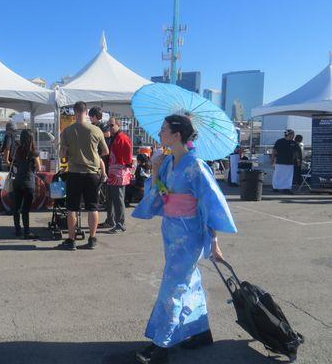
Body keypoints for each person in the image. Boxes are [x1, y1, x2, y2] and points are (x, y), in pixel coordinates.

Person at [132, 114, 237, 364]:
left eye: (164, 129)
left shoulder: (197, 166)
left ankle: (162, 344)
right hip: (170, 230)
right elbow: (158, 192)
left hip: (189, 234)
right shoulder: (168, 162)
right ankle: (201, 331)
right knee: (189, 281)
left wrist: (214, 242)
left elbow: (210, 206)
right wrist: (155, 169)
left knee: (174, 286)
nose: (159, 133)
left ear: (177, 135)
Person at [56, 101, 109, 250]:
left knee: (72, 208)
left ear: (74, 112)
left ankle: (71, 241)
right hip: (92, 173)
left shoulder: (67, 131)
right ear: (86, 112)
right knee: (93, 207)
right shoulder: (96, 130)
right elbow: (105, 152)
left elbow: (62, 156)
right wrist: (93, 154)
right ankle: (92, 239)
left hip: (74, 173)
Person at [11, 129, 41, 239]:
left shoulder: (18, 149)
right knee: (25, 209)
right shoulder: (34, 152)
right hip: (29, 182)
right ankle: (27, 232)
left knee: (16, 207)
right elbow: (38, 167)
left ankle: (17, 229)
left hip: (18, 181)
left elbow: (15, 162)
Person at [105, 117, 133, 233]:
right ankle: (111, 220)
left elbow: (128, 156)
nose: (110, 128)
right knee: (110, 198)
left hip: (119, 173)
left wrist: (126, 166)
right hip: (113, 172)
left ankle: (120, 223)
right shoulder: (114, 137)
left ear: (118, 125)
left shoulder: (122, 138)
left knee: (118, 199)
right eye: (109, 126)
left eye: (112, 125)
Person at [271, 129, 297, 193]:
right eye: (292, 134)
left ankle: (286, 188)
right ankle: (275, 187)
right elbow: (274, 151)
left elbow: (295, 152)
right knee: (278, 175)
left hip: (290, 162)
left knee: (288, 176)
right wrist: (272, 159)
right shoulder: (279, 141)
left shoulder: (294, 143)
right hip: (280, 162)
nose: (293, 136)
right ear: (289, 135)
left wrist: (296, 160)